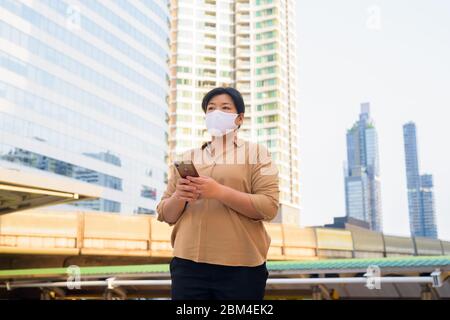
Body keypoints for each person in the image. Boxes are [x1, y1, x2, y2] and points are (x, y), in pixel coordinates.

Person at [157, 87, 280, 300]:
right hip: (187, 266)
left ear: (239, 118)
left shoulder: (257, 154)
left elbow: (269, 207)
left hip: (241, 267)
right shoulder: (188, 157)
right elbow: (165, 215)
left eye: (225, 108)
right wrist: (179, 195)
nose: (216, 114)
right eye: (211, 109)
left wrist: (219, 191)